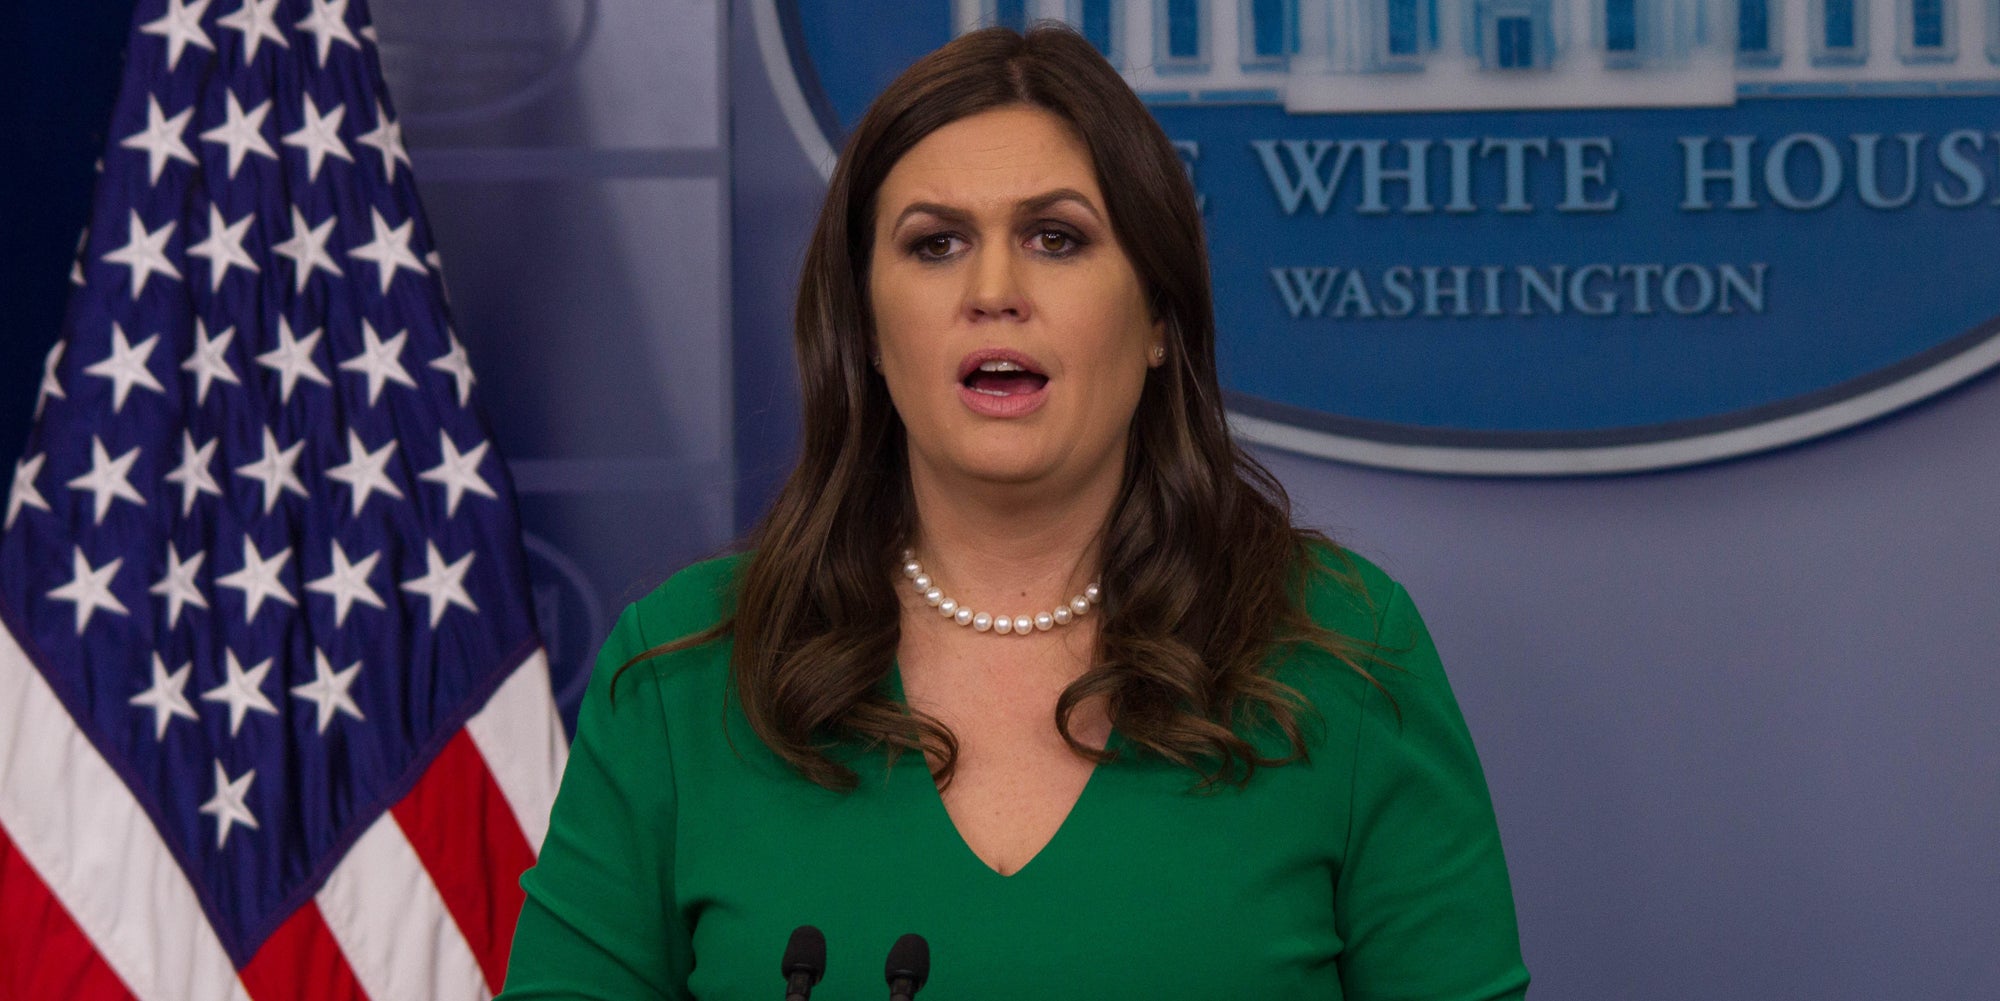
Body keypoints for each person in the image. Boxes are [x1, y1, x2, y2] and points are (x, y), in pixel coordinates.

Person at [498, 23, 1528, 1001]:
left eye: (1054, 237)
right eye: (936, 243)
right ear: (861, 322)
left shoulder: (1339, 647)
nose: (993, 288)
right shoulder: (685, 666)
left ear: (1158, 316)